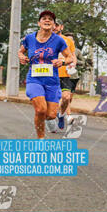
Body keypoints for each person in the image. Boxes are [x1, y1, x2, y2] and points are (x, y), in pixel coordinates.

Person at [19, 10, 74, 139]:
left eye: (50, 19)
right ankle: (41, 139)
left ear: (54, 25)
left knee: (51, 115)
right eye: (44, 18)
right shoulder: (29, 38)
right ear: (39, 23)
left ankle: (53, 119)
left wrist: (62, 61)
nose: (47, 20)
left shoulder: (59, 41)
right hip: (34, 79)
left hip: (52, 81)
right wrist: (22, 57)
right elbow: (20, 51)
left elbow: (70, 58)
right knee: (40, 110)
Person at [54, 20, 76, 131]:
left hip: (64, 74)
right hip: (50, 74)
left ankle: (61, 115)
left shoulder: (68, 41)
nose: (54, 27)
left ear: (61, 27)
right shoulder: (44, 40)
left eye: (57, 25)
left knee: (66, 98)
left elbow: (73, 56)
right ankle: (51, 121)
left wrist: (73, 65)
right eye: (53, 25)